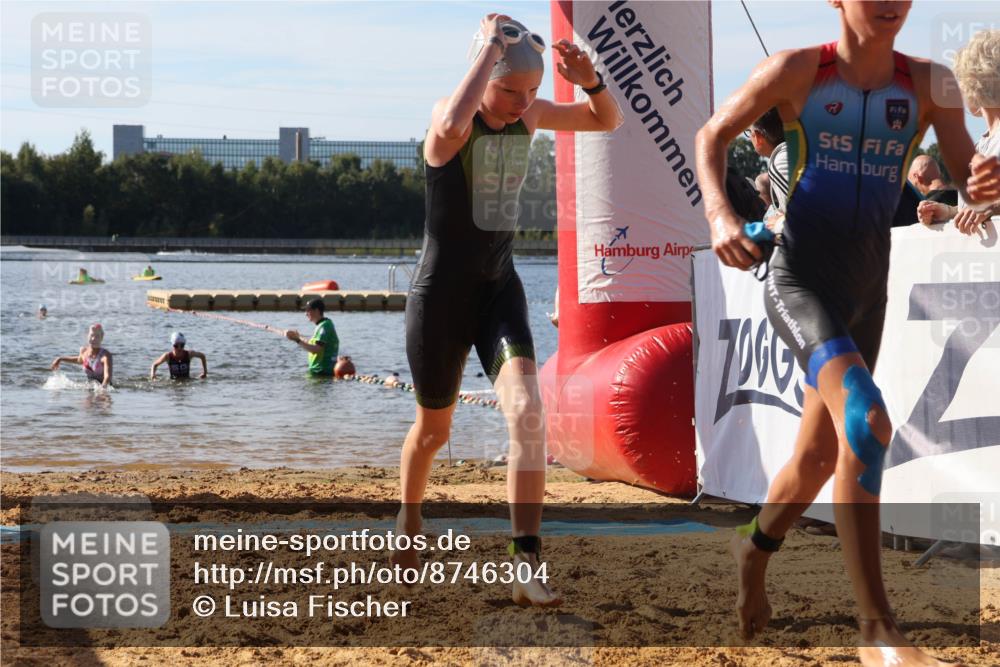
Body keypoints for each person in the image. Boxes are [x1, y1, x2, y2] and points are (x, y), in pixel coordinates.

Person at [695, 2, 1000, 665]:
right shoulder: (797, 71)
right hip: (798, 281)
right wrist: (720, 214)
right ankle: (878, 631)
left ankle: (754, 544)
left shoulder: (930, 84)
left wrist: (984, 184)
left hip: (868, 292)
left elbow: (970, 174)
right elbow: (712, 135)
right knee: (867, 423)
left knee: (812, 461)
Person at [396, 13, 622, 608]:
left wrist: (589, 78)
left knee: (527, 415)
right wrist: (488, 48)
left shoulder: (532, 115)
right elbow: (450, 117)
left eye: (531, 91)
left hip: (499, 289)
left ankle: (526, 563)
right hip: (439, 298)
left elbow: (606, 119)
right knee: (432, 433)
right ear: (482, 75)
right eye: (509, 90)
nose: (524, 104)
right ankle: (409, 518)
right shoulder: (451, 125)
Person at [919, 29, 1000, 229]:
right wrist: (948, 211)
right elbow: (978, 210)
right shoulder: (981, 145)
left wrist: (992, 208)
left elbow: (987, 208)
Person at [285, 298, 339, 376]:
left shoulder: (324, 326)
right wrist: (298, 337)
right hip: (318, 372)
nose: (305, 314)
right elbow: (312, 343)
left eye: (308, 310)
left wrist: (297, 340)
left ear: (316, 311)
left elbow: (316, 349)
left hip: (322, 372)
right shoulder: (322, 325)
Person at [51, 323, 113, 387]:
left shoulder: (105, 356)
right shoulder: (84, 351)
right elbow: (79, 360)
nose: (93, 339)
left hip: (105, 387)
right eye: (92, 335)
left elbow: (107, 377)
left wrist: (102, 389)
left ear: (101, 338)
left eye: (97, 336)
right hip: (90, 386)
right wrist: (60, 359)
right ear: (87, 336)